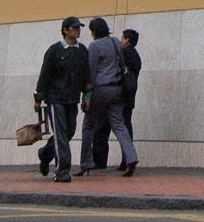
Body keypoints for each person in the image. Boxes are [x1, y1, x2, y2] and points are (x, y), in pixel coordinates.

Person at [78, 17, 139, 176]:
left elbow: (91, 72)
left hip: (100, 89)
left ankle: (85, 162)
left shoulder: (94, 46)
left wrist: (87, 96)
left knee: (88, 126)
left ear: (94, 32)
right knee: (119, 125)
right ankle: (131, 157)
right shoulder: (115, 42)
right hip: (117, 89)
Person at [34, 16, 89, 182]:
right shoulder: (54, 51)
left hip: (72, 99)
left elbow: (87, 76)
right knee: (60, 134)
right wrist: (38, 98)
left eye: (79, 28)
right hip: (55, 98)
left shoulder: (82, 51)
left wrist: (87, 96)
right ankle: (62, 171)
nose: (78, 30)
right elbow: (45, 75)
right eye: (75, 27)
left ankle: (45, 153)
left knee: (69, 132)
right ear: (65, 30)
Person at [89, 27, 142, 170]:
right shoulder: (136, 55)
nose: (120, 41)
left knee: (102, 127)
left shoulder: (123, 53)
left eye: (122, 38)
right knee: (124, 127)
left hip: (116, 96)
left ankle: (99, 160)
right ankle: (128, 159)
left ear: (126, 40)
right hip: (128, 97)